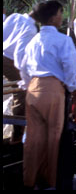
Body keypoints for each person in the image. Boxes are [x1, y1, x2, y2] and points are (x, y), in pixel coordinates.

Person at [18, 0, 76, 189]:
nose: (62, 17)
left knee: (34, 139)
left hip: (33, 90)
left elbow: (23, 67)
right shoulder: (63, 40)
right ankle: (51, 181)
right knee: (54, 138)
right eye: (60, 13)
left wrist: (29, 84)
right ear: (53, 17)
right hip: (53, 89)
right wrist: (71, 86)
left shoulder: (33, 40)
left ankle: (30, 180)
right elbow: (70, 67)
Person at [3, 9, 38, 144]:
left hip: (4, 53)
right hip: (11, 60)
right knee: (21, 94)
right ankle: (17, 136)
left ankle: (17, 134)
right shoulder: (31, 28)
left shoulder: (14, 16)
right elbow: (20, 55)